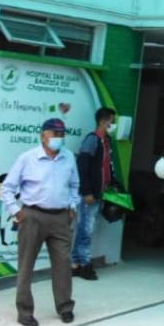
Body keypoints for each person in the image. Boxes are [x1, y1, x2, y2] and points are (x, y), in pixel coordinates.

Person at [0, 117, 80, 326]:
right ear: (43, 135)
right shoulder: (28, 158)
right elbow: (7, 188)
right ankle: (24, 311)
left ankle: (65, 307)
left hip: (61, 217)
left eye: (62, 134)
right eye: (55, 134)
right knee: (26, 265)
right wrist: (17, 212)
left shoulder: (68, 157)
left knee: (63, 264)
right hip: (32, 216)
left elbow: (74, 185)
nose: (59, 138)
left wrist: (72, 206)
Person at [72, 106, 116, 280]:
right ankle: (85, 264)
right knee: (86, 229)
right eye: (112, 121)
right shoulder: (92, 140)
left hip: (100, 193)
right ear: (103, 121)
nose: (114, 124)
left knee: (86, 228)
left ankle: (75, 263)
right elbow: (82, 167)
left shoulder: (106, 141)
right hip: (89, 194)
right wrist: (87, 191)